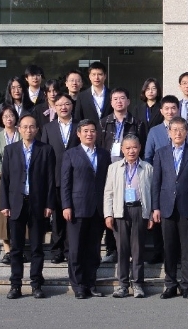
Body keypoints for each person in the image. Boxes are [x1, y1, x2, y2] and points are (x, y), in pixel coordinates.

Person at [0, 114, 56, 300]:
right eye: (24, 127)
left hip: (38, 203)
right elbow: (5, 180)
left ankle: (36, 284)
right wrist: (4, 204)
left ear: (37, 129)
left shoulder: (46, 150)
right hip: (16, 203)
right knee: (16, 248)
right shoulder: (10, 150)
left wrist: (49, 203)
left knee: (37, 247)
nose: (28, 130)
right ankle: (15, 285)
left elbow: (50, 179)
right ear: (19, 129)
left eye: (32, 127)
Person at [152, 117, 188, 299]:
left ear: (186, 132)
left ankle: (187, 285)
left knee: (187, 248)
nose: (177, 133)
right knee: (169, 247)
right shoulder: (161, 153)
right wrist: (155, 207)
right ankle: (170, 284)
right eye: (174, 129)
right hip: (166, 206)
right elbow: (156, 182)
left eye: (181, 129)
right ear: (169, 132)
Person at [62, 119, 111, 299]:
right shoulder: (71, 154)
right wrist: (66, 205)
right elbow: (65, 182)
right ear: (78, 134)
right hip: (77, 208)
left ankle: (91, 283)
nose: (89, 134)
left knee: (93, 250)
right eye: (85, 131)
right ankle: (78, 286)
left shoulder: (104, 154)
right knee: (76, 249)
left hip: (98, 208)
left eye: (92, 131)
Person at [103, 134, 154, 299]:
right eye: (128, 148)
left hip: (139, 210)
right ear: (122, 149)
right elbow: (108, 193)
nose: (131, 151)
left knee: (138, 249)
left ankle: (138, 284)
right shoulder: (114, 168)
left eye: (134, 147)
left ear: (140, 148)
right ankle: (123, 285)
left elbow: (152, 193)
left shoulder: (147, 168)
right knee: (122, 249)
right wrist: (108, 214)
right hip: (120, 211)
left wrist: (151, 214)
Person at [97, 87, 142, 263]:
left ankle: (130, 250)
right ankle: (111, 249)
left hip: (130, 170)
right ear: (111, 102)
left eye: (122, 98)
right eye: (115, 99)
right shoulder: (103, 123)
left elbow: (142, 145)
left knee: (128, 211)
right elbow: (99, 147)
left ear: (128, 101)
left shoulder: (137, 123)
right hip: (110, 171)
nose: (119, 102)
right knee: (111, 209)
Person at [39, 93, 80, 264]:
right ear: (54, 108)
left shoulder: (79, 126)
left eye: (67, 104)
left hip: (75, 178)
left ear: (72, 106)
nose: (64, 107)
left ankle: (70, 249)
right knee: (56, 217)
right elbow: (44, 153)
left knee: (71, 216)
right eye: (60, 104)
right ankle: (57, 250)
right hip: (55, 177)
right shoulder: (48, 128)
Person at [0, 106, 20, 263]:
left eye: (11, 115)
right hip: (3, 178)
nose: (9, 118)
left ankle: (18, 248)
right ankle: (7, 250)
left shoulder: (21, 133)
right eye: (5, 116)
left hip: (21, 178)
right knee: (3, 215)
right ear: (1, 120)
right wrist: (5, 172)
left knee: (19, 213)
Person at [143, 95, 180, 164]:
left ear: (178, 110)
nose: (170, 112)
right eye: (166, 108)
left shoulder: (185, 130)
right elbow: (148, 156)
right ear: (161, 111)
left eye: (173, 108)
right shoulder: (154, 131)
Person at [74, 61, 112, 128]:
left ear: (105, 76)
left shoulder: (112, 95)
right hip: (89, 132)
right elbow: (78, 119)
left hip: (109, 132)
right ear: (89, 76)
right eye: (93, 74)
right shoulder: (82, 96)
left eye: (100, 74)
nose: (96, 77)